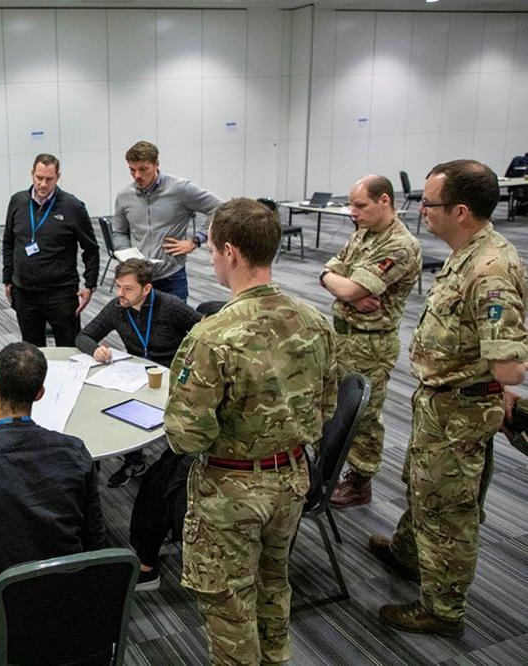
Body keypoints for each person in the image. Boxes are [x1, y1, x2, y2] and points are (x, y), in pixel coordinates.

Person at [164, 198, 336, 664]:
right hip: (292, 480)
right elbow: (326, 408)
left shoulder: (211, 336)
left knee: (229, 602)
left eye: (214, 251)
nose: (213, 260)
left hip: (231, 491)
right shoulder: (316, 321)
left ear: (232, 252)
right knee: (274, 581)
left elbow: (187, 437)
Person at [371, 160, 528, 637]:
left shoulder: (490, 268)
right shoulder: (467, 254)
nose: (419, 211)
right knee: (423, 488)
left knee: (449, 510)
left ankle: (442, 609)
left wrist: (493, 389)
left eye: (429, 203)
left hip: (459, 408)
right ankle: (409, 555)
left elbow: (510, 365)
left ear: (460, 211)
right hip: (440, 403)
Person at [0, 341, 105, 661]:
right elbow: (97, 543)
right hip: (75, 608)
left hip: (6, 619)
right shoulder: (76, 451)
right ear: (39, 393)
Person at [321, 175, 421, 507]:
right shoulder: (365, 233)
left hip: (371, 343)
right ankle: (325, 467)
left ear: (384, 201)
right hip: (343, 334)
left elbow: (347, 287)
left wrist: (347, 290)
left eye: (360, 205)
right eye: (351, 204)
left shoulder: (400, 245)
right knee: (331, 403)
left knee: (363, 415)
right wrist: (341, 286)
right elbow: (329, 271)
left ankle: (360, 481)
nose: (353, 212)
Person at [76, 258, 201, 488]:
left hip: (172, 377)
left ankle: (178, 465)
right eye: (118, 286)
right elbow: (83, 336)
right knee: (107, 401)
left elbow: (205, 330)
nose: (120, 293)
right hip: (136, 374)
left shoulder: (170, 306)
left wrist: (189, 362)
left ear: (147, 289)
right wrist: (95, 350)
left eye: (128, 288)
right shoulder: (117, 308)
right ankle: (134, 460)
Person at [2, 154, 100, 346]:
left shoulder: (73, 206)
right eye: (39, 178)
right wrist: (7, 278)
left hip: (60, 294)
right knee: (31, 353)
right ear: (32, 174)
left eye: (49, 179)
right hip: (24, 293)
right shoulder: (17, 202)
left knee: (69, 350)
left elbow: (91, 249)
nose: (43, 184)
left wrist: (90, 285)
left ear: (58, 176)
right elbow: (8, 242)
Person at [111, 140, 223, 301]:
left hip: (171, 276)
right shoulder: (124, 196)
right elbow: (119, 232)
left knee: (174, 325)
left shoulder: (180, 189)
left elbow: (220, 207)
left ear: (156, 164)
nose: (137, 176)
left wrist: (196, 240)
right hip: (138, 278)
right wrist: (126, 256)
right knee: (140, 325)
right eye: (132, 170)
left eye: (143, 169)